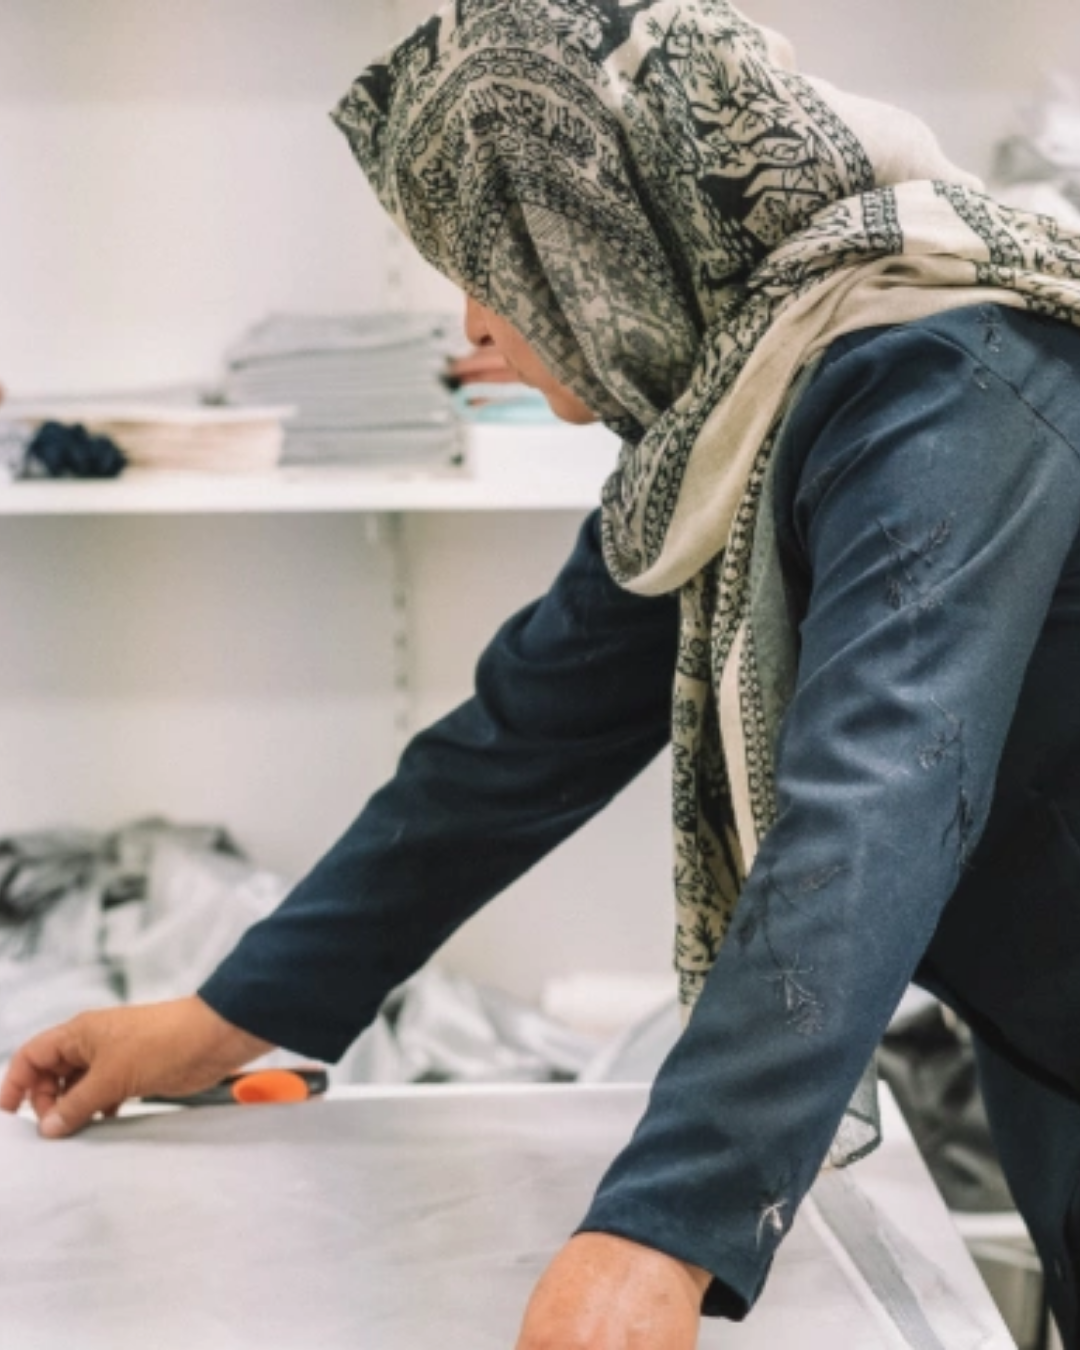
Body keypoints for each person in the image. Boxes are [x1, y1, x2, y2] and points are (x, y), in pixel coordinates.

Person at [5, 1, 1080, 1344]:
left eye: (492, 266)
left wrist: (664, 1228)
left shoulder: (947, 381)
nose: (476, 326)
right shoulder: (738, 411)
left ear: (600, 227)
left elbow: (875, 804)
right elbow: (512, 747)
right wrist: (220, 1019)